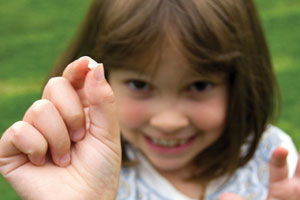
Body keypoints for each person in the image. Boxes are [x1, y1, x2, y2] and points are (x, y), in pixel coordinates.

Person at [0, 0, 299, 199]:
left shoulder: (271, 157)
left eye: (199, 85)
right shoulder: (89, 176)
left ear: (238, 82)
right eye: (139, 84)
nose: (169, 121)